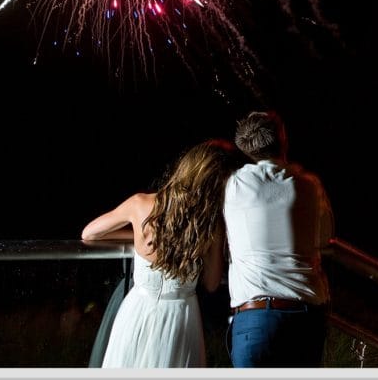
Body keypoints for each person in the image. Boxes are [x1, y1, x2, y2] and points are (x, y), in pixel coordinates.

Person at [81, 139, 238, 368]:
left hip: (137, 309)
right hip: (181, 317)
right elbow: (212, 283)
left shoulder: (140, 204)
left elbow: (90, 233)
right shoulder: (210, 225)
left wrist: (137, 233)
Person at [224, 111, 334, 367]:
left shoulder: (234, 185)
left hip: (255, 317)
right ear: (283, 138)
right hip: (304, 315)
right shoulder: (309, 185)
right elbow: (326, 236)